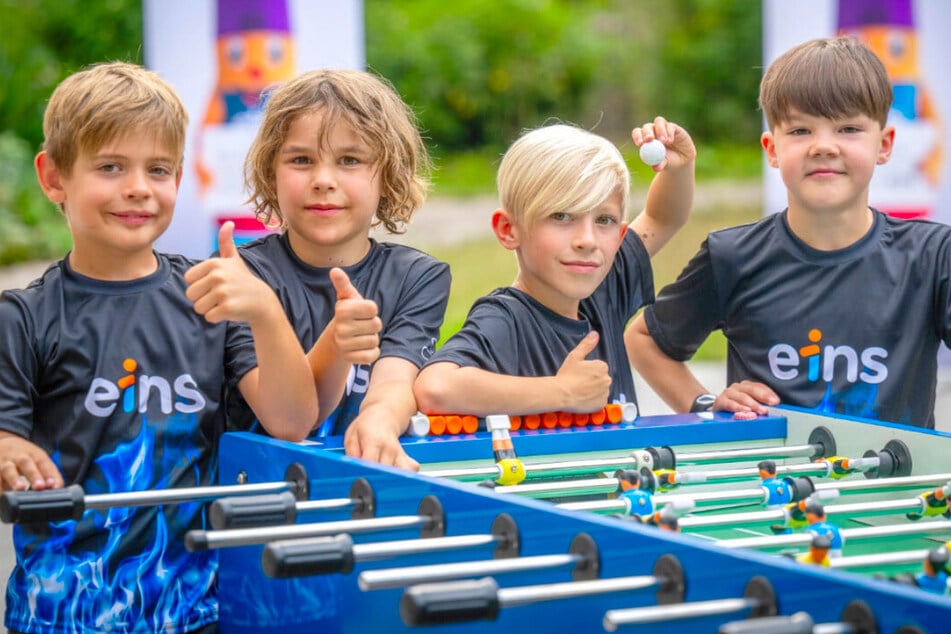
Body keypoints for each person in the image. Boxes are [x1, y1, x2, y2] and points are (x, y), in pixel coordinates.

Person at [0, 62, 318, 634]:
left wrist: (267, 311)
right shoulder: (23, 318)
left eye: (159, 169)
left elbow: (292, 420)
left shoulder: (212, 296)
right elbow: (4, 439)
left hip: (197, 611)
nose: (138, 188)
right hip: (61, 614)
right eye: (110, 167)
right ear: (53, 178)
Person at [626, 36, 951, 429]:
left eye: (848, 129)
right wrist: (706, 404)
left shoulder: (933, 256)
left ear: (884, 145)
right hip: (769, 486)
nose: (823, 147)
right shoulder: (732, 255)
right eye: (800, 131)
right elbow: (643, 341)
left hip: (899, 490)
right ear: (772, 149)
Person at [232, 69, 450, 470]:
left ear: (388, 177)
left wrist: (379, 419)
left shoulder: (419, 278)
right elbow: (287, 421)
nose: (323, 180)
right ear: (270, 173)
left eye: (349, 160)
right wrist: (336, 341)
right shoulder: (241, 275)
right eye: (301, 160)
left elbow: (394, 382)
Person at [414, 120, 695, 417]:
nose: (587, 240)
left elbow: (663, 218)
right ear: (509, 230)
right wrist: (564, 391)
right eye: (562, 216)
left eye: (604, 220)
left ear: (620, 236)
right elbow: (434, 388)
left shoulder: (604, 288)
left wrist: (679, 166)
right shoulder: (506, 319)